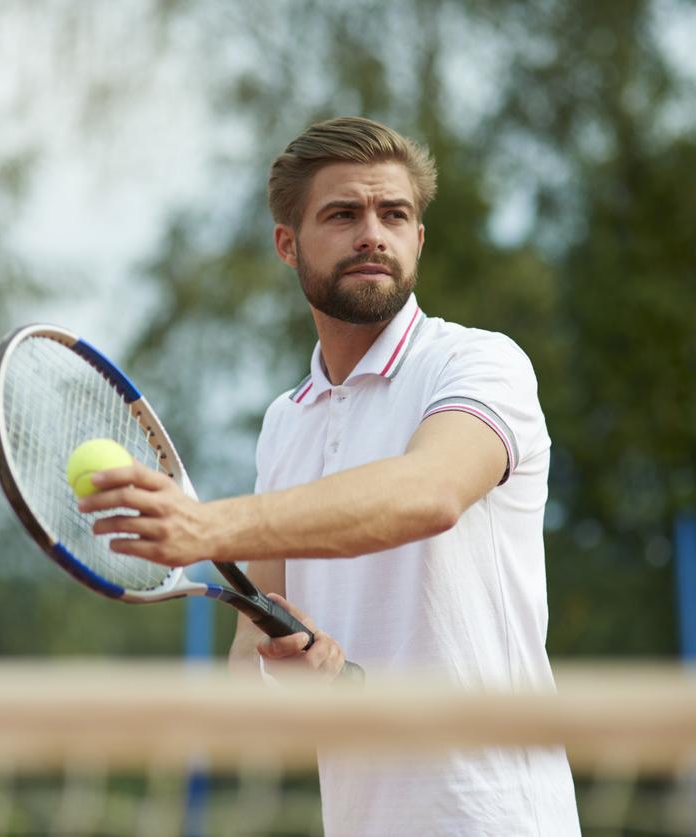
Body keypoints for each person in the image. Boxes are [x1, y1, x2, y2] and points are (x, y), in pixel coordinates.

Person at [78, 117, 580, 835]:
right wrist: (295, 674)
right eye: (343, 214)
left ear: (418, 240)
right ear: (288, 244)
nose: (372, 233)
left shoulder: (479, 364)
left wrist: (206, 525)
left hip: (498, 817)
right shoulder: (286, 420)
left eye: (394, 214)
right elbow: (252, 662)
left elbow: (429, 492)